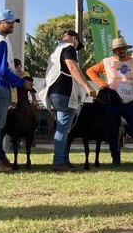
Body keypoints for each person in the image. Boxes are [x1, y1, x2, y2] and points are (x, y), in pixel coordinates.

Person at [86, 37, 133, 170]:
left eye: (123, 48)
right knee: (112, 131)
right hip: (113, 103)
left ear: (127, 49)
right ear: (115, 50)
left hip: (130, 102)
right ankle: (115, 158)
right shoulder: (107, 62)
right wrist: (104, 85)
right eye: (118, 49)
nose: (121, 51)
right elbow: (90, 71)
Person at [0, 9, 33, 172]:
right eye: (8, 22)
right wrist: (21, 82)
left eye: (13, 22)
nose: (12, 25)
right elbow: (1, 70)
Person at [38, 30, 97, 171]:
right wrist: (87, 86)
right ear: (74, 39)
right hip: (64, 92)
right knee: (63, 129)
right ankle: (59, 161)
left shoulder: (56, 50)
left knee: (62, 128)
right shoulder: (69, 48)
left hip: (53, 92)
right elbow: (72, 66)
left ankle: (63, 159)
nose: (77, 48)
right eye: (78, 45)